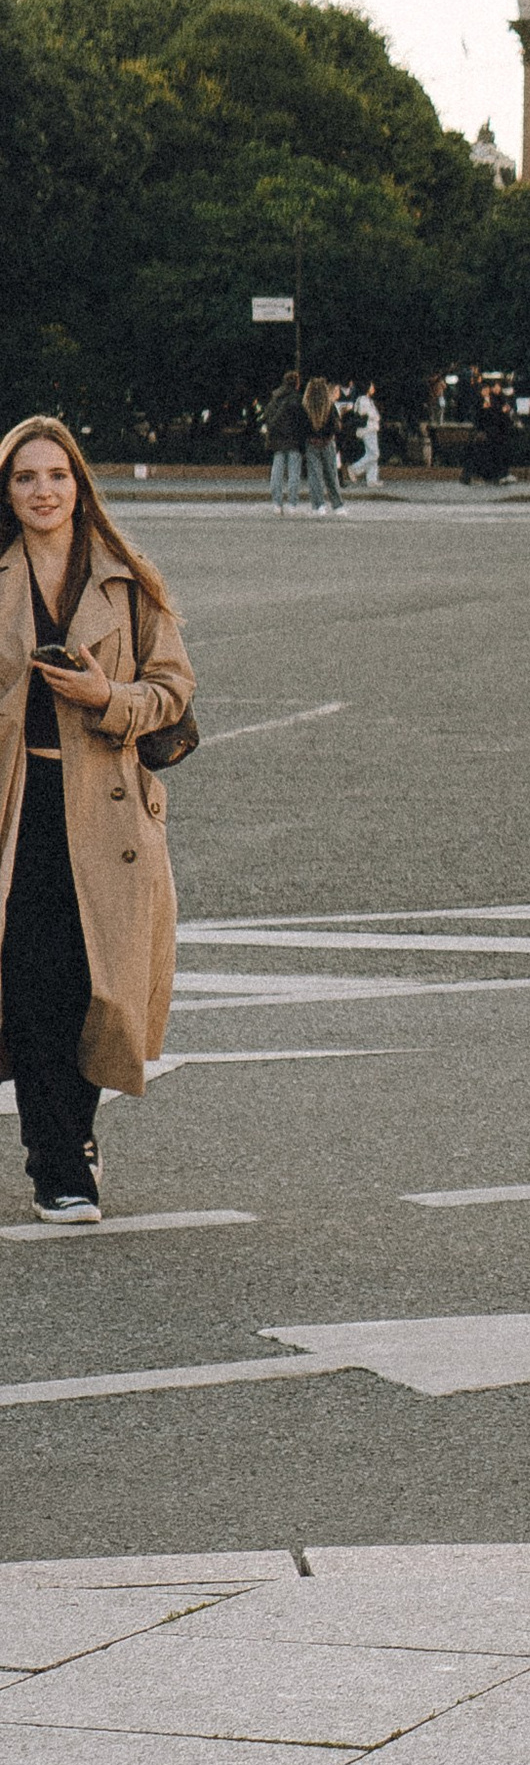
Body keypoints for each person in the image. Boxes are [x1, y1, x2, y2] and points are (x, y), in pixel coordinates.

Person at [0, 416, 196, 1221]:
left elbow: (174, 692)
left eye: (56, 475)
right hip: (17, 808)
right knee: (29, 983)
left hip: (105, 815)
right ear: (6, 492)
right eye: (25, 478)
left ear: (79, 485)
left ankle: (72, 1137)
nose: (43, 491)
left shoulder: (128, 578)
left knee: (95, 988)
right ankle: (59, 1163)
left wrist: (105, 699)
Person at [261, 374, 308, 514]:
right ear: (297, 384)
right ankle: (292, 504)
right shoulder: (298, 399)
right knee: (294, 474)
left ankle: (277, 504)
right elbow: (302, 421)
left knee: (277, 472)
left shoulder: (275, 397)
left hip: (277, 440)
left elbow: (267, 416)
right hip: (293, 440)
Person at [300, 372, 344, 516]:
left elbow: (301, 427)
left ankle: (319, 506)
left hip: (311, 443)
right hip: (327, 443)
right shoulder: (329, 406)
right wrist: (328, 437)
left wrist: (309, 439)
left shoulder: (305, 407)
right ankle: (337, 505)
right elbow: (336, 426)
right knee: (331, 475)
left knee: (315, 475)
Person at [348, 381, 384, 491]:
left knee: (371, 453)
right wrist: (376, 416)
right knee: (374, 453)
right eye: (371, 386)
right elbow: (371, 415)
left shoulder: (368, 400)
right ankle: (354, 468)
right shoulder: (363, 400)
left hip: (371, 429)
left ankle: (372, 479)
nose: (373, 387)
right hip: (367, 430)